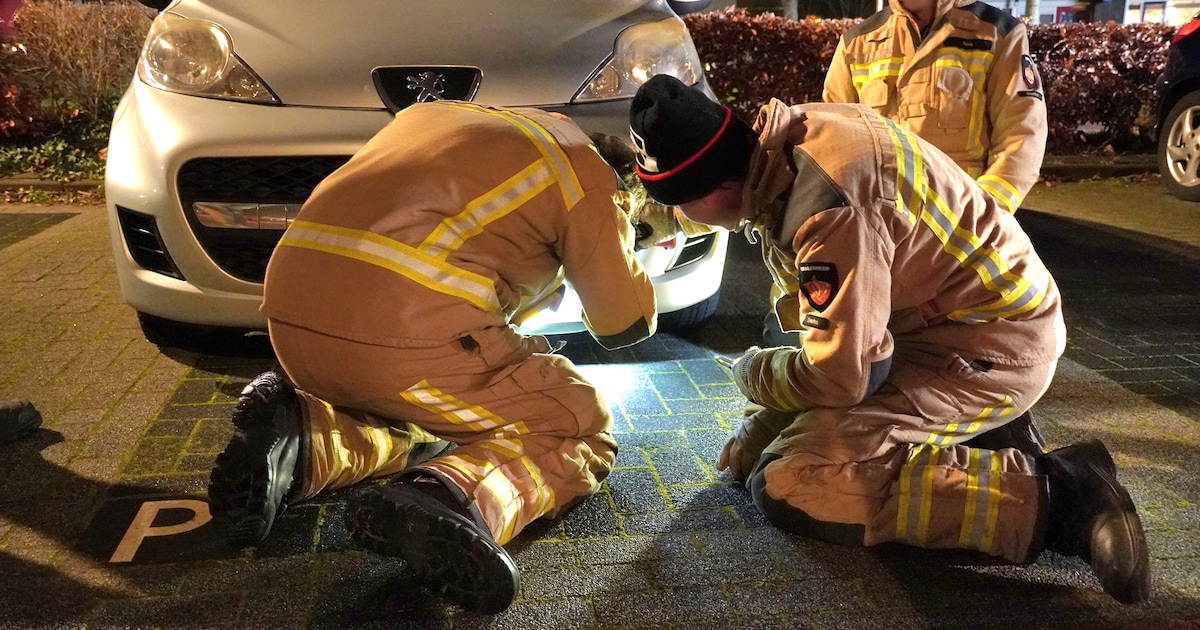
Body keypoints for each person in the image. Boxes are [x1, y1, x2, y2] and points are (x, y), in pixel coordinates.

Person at [627, 74, 1149, 605]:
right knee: (754, 453)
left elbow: (844, 375)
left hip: (989, 347)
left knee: (794, 481)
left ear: (715, 191)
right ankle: (988, 437)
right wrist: (776, 411)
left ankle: (1060, 495)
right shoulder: (788, 139)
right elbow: (844, 341)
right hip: (940, 326)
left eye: (679, 205)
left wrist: (755, 375)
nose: (680, 219)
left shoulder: (826, 207)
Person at [207, 100, 663, 615]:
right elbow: (623, 321)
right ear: (627, 185)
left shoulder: (451, 120)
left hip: (291, 320)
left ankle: (304, 437)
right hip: (401, 333)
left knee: (435, 414)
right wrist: (629, 236)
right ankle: (453, 500)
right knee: (575, 422)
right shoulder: (586, 175)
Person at [823, 0, 1047, 216]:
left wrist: (987, 214)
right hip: (880, 227)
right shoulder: (856, 42)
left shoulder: (999, 34)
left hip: (962, 229)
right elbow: (834, 143)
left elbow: (1022, 135)